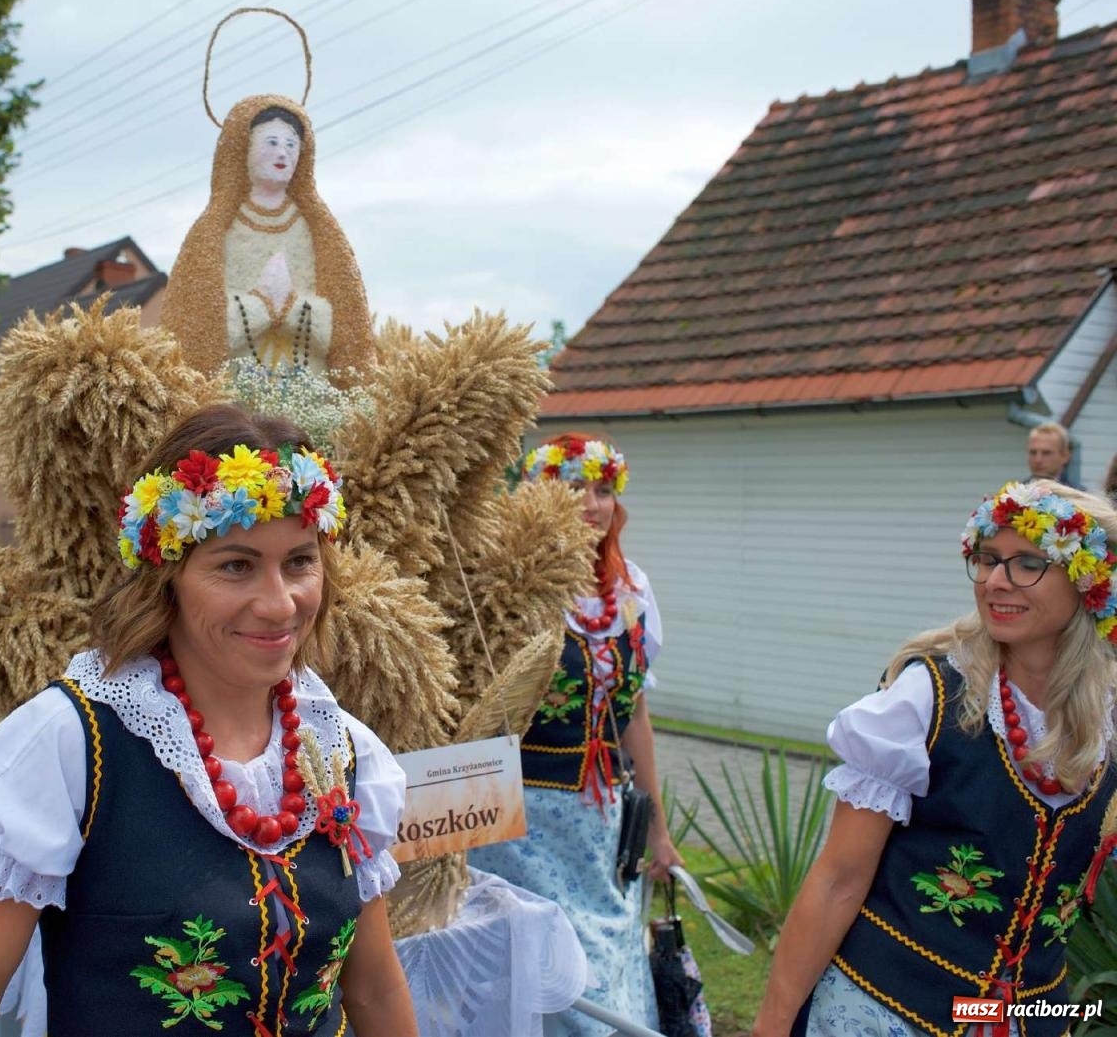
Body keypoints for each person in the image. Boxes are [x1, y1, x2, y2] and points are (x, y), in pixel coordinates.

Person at [0, 404, 416, 1037]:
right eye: (236, 565)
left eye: (299, 561)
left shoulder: (338, 748)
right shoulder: (73, 745)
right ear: (167, 578)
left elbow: (372, 989)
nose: (279, 602)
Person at [752, 480, 1117, 1036]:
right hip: (887, 1012)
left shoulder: (1107, 719)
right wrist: (773, 1026)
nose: (996, 581)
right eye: (990, 560)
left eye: (1027, 564)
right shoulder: (929, 697)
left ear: (1089, 584)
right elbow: (836, 880)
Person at [468, 432, 680, 1036]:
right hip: (519, 819)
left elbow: (634, 712)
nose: (591, 503)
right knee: (540, 968)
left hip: (601, 820)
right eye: (573, 488)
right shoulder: (514, 588)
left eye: (603, 490)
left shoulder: (633, 592)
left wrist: (659, 829)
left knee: (605, 955)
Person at [165, 95, 373, 380]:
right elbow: (196, 323)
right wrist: (261, 305)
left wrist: (291, 307)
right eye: (271, 142)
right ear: (243, 149)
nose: (282, 154)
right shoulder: (214, 231)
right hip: (231, 397)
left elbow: (346, 327)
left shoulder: (317, 230)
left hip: (310, 394)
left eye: (291, 144)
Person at [1026, 421, 1079, 488]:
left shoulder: (1078, 496)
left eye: (1046, 453)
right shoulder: (1013, 495)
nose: (1038, 460)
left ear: (1065, 456)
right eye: (1033, 452)